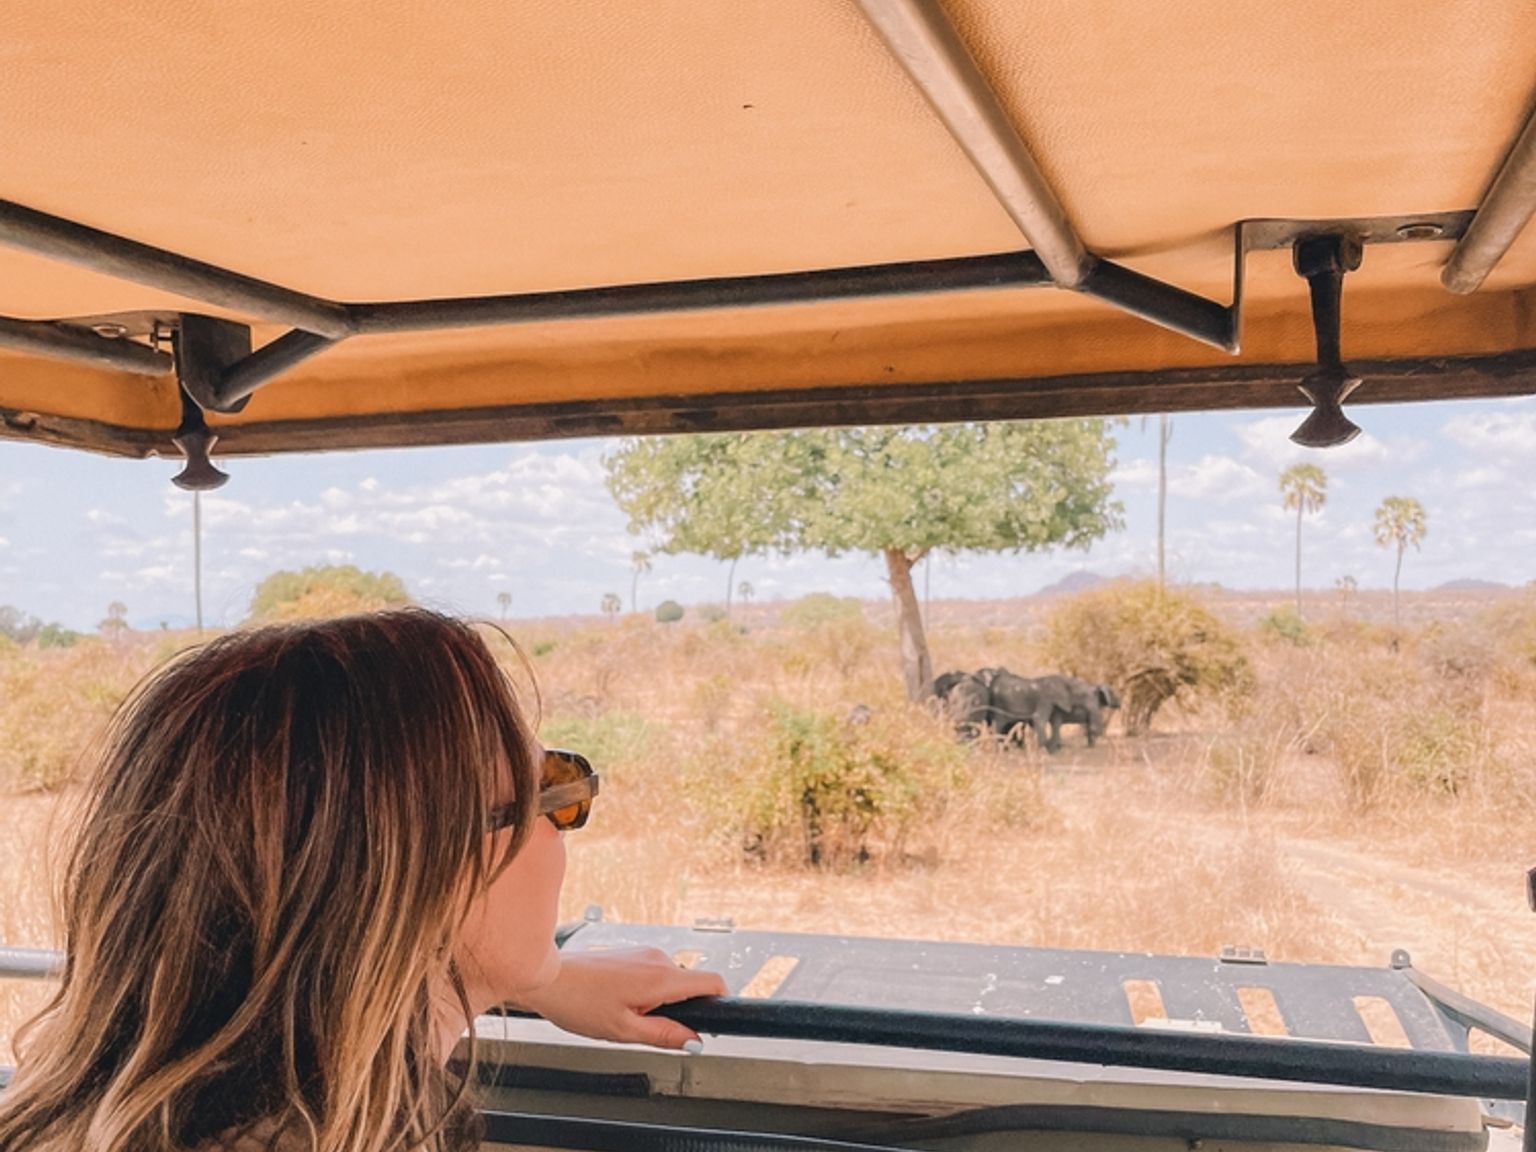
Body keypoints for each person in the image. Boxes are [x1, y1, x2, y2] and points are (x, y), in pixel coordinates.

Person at [0, 610, 725, 1151]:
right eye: (553, 793)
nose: (564, 824)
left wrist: (536, 976)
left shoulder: (97, 1101)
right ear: (415, 875)